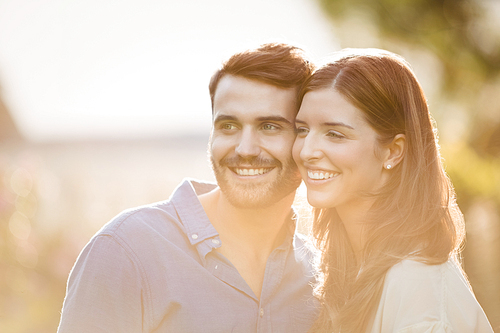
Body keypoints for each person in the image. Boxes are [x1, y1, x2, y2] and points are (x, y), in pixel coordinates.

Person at [57, 43, 318, 332]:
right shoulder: (126, 251)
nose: (244, 149)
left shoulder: (316, 276)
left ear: (307, 141)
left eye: (269, 126)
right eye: (228, 126)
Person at [292, 49, 494, 332]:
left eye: (335, 134)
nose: (307, 151)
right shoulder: (348, 267)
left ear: (393, 151)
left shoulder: (418, 289)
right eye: (302, 130)